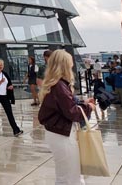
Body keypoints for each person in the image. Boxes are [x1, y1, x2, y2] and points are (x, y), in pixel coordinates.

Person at [38, 50, 95, 185]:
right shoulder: (59, 86)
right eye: (69, 63)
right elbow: (72, 112)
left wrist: (82, 104)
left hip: (58, 132)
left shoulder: (56, 84)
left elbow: (64, 106)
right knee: (69, 176)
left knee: (68, 174)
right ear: (64, 65)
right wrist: (89, 108)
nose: (72, 66)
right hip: (62, 134)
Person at [0, 59, 23, 136]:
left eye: (1, 65)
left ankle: (16, 130)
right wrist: (0, 81)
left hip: (4, 96)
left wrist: (10, 87)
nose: (0, 66)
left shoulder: (5, 74)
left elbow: (9, 83)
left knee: (9, 113)